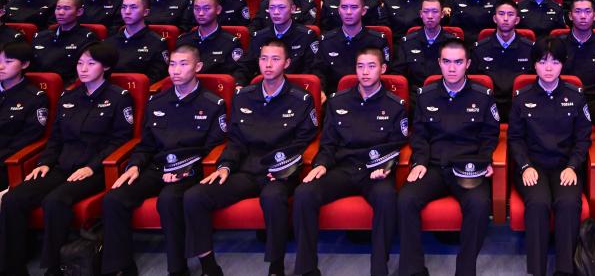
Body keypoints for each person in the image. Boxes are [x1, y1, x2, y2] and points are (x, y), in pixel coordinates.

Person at [183, 41, 317, 276]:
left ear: (287, 63)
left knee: (273, 197)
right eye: (264, 59)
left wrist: (283, 167)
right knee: (195, 196)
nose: (268, 64)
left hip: (279, 171)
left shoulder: (300, 99)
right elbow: (235, 140)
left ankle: (276, 267)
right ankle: (209, 267)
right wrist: (225, 166)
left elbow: (303, 142)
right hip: (246, 169)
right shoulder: (244, 96)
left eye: (275, 59)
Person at [0, 43, 134, 276]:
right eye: (80, 63)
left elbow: (120, 141)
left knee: (55, 200)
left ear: (106, 67)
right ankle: (11, 267)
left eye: (91, 63)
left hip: (96, 169)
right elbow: (55, 139)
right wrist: (44, 163)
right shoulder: (69, 96)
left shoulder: (118, 97)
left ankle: (54, 267)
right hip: (62, 164)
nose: (83, 69)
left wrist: (92, 167)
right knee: (13, 198)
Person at [100, 44, 227, 276]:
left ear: (198, 67)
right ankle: (122, 267)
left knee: (169, 199)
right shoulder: (157, 101)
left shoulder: (212, 104)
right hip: (157, 167)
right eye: (172, 64)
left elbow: (213, 149)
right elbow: (146, 144)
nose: (176, 70)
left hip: (190, 169)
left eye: (183, 64)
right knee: (114, 198)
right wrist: (134, 165)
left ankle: (177, 269)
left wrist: (184, 171)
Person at [293, 46, 406, 276]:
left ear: (383, 69)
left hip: (375, 170)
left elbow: (397, 145)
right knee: (304, 193)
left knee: (386, 197)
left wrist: (385, 167)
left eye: (371, 66)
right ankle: (305, 269)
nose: (365, 72)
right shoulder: (338, 101)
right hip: (342, 168)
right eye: (360, 66)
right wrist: (321, 164)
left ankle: (379, 268)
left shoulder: (395, 105)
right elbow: (328, 143)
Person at [398, 41, 499, 276]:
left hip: (467, 168)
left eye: (458, 62)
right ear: (439, 63)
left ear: (468, 64)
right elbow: (419, 135)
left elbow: (490, 135)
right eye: (446, 62)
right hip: (433, 166)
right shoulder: (426, 96)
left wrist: (484, 160)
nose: (452, 68)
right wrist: (419, 162)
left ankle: (465, 270)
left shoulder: (483, 96)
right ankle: (413, 270)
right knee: (406, 199)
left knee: (479, 204)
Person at [508, 39, 592, 276]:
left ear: (563, 64)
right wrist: (525, 166)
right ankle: (538, 271)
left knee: (568, 203)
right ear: (534, 65)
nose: (548, 68)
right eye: (542, 62)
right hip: (532, 165)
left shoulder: (576, 96)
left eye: (555, 62)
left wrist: (573, 166)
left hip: (565, 166)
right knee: (538, 203)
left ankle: (565, 270)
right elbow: (515, 138)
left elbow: (583, 139)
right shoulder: (522, 97)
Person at [0, 42, 48, 190]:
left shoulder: (35, 98)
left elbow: (27, 138)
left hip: (5, 161)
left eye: (8, 62)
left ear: (25, 64)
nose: (1, 66)